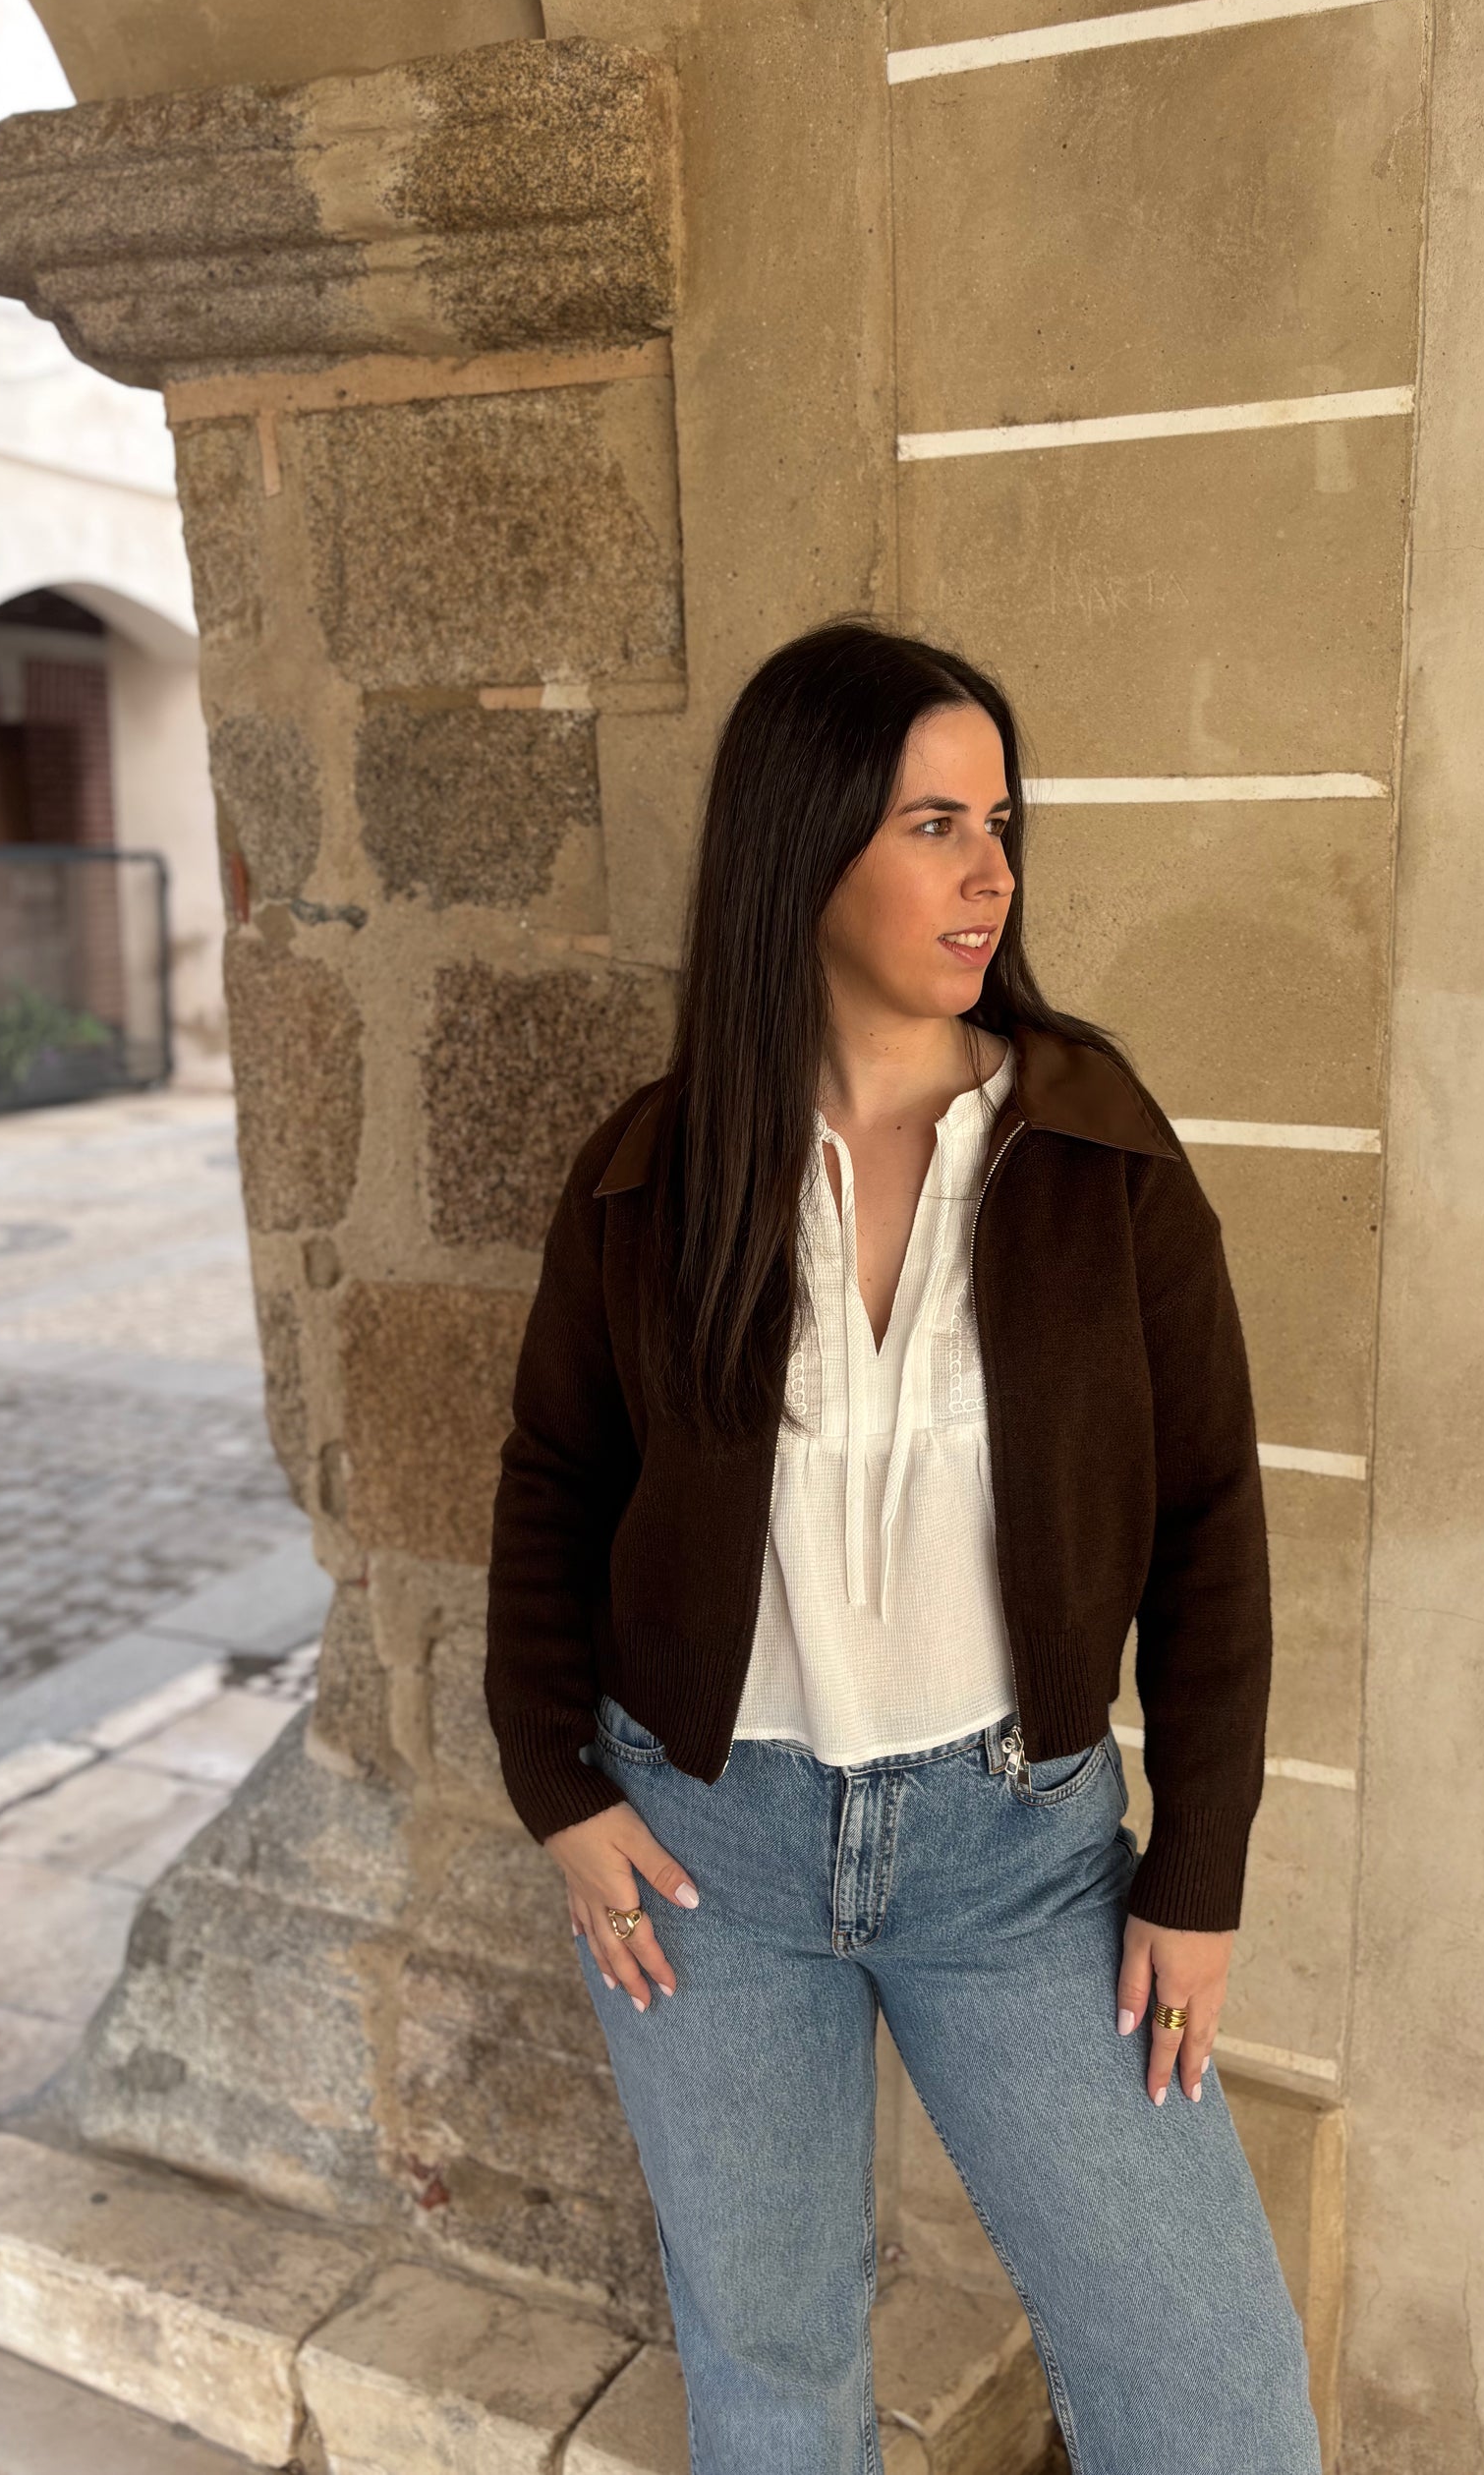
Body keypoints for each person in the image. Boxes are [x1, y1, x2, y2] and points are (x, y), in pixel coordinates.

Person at [484, 618, 1323, 2473]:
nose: (989, 872)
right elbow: (554, 1480)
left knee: (1208, 2385)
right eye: (933, 823)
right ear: (803, 845)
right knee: (771, 2368)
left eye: (997, 823)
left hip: (1016, 1860)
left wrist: (1198, 1871)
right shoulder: (654, 1169)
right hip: (702, 1858)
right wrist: (556, 1781)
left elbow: (1209, 1522)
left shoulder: (1093, 1148)